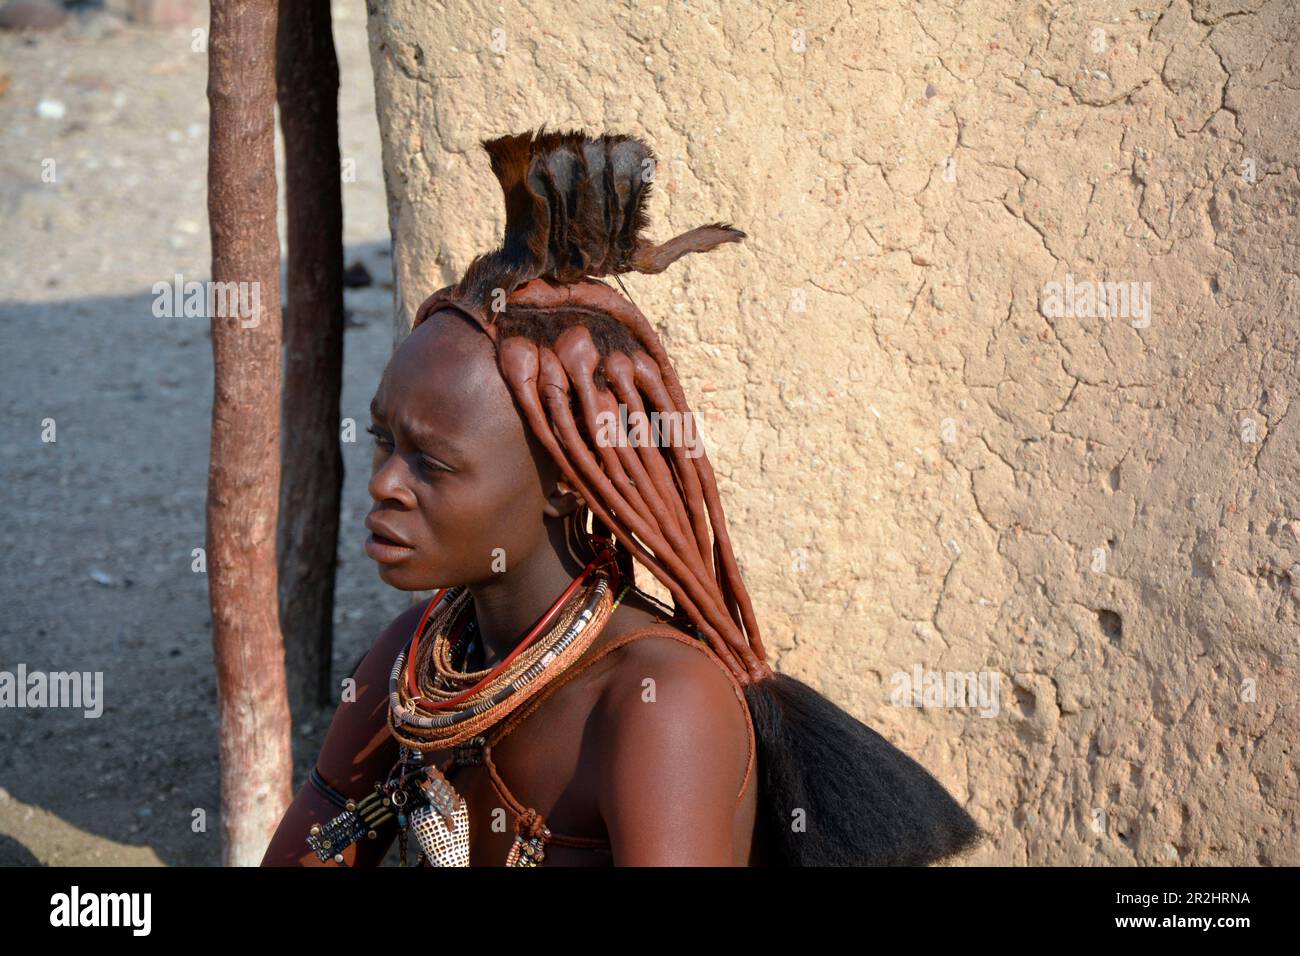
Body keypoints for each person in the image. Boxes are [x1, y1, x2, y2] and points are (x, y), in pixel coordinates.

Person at [262, 127, 984, 867]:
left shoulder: (659, 706)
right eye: (385, 441)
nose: (384, 483)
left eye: (432, 463)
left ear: (567, 480)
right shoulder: (416, 663)